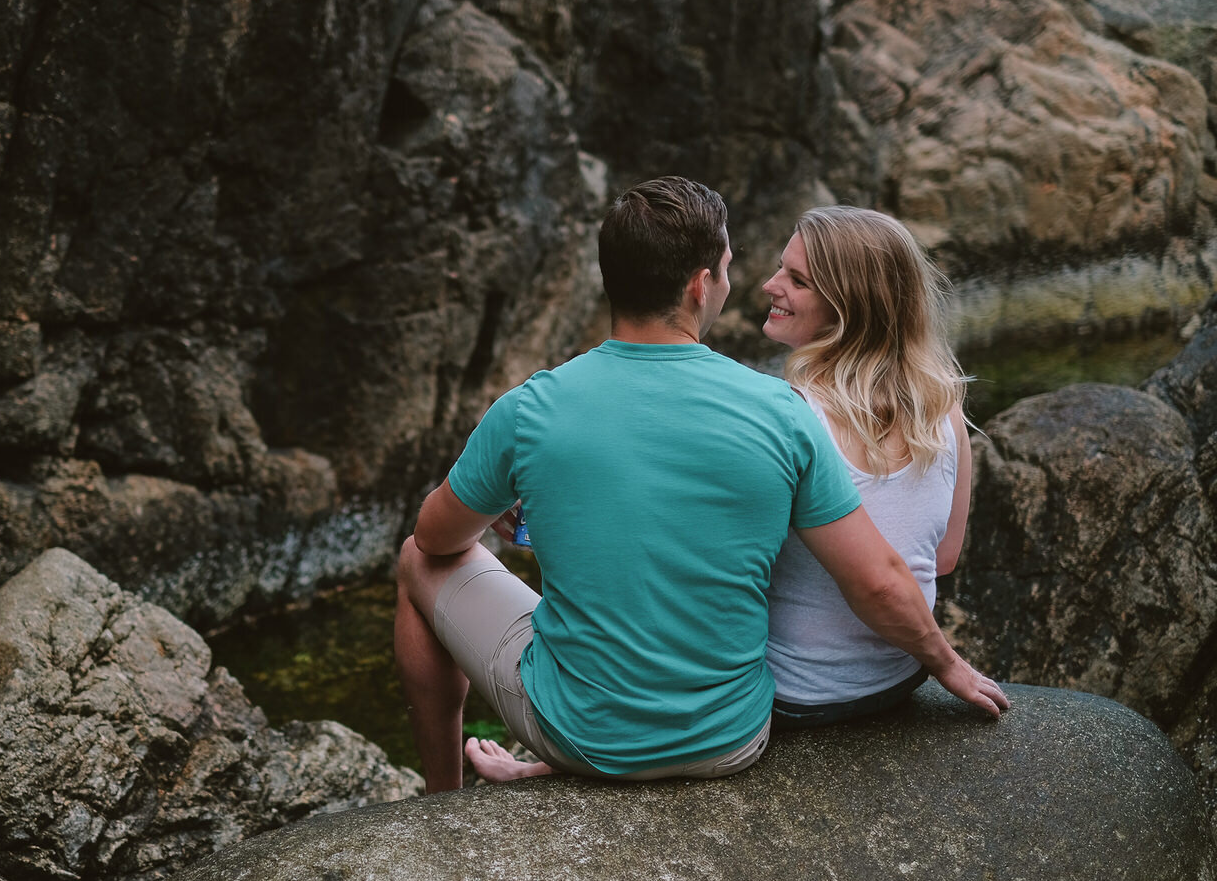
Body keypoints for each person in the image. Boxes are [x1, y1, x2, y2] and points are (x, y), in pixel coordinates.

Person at [393, 176, 1008, 794]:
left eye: (791, 278)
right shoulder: (778, 409)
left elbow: (436, 538)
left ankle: (442, 797)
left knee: (415, 560)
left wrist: (537, 501)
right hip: (734, 737)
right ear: (700, 284)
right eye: (732, 269)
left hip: (582, 736)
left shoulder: (530, 408)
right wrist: (946, 665)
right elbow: (892, 569)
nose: (753, 285)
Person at [761, 206, 973, 728]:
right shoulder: (945, 407)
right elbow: (942, 559)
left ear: (847, 307)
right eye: (780, 269)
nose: (770, 285)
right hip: (898, 678)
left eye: (797, 280)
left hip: (796, 693)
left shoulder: (789, 414)